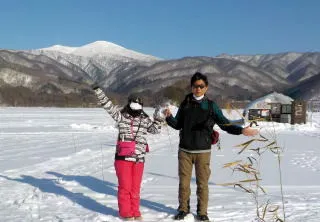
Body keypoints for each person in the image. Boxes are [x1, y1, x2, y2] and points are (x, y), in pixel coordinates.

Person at [164, 72, 258, 222]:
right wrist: (169, 118)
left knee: (202, 184)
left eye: (201, 86)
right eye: (195, 86)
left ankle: (202, 212)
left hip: (203, 151)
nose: (198, 89)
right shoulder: (185, 103)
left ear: (206, 87)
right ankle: (183, 209)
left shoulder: (211, 106)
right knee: (184, 183)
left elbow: (225, 124)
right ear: (191, 87)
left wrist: (241, 130)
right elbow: (178, 125)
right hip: (185, 150)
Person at [93, 86, 163, 221]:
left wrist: (158, 118)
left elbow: (154, 130)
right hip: (123, 158)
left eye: (138, 103)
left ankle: (135, 211)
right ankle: (126, 213)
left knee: (135, 188)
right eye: (134, 103)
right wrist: (98, 90)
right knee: (125, 187)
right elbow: (108, 105)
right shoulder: (121, 117)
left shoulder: (145, 119)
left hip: (139, 159)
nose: (136, 106)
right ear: (129, 103)